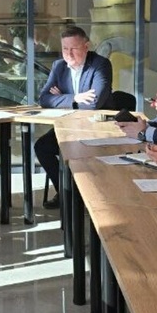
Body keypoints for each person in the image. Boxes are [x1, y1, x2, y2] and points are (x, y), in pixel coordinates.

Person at [33, 25, 113, 207]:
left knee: (75, 152)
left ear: (86, 46)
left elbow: (94, 103)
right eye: (65, 49)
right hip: (68, 127)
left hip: (95, 129)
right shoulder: (59, 66)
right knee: (42, 147)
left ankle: (86, 195)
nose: (68, 54)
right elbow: (44, 99)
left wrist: (60, 98)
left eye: (74, 48)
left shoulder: (100, 65)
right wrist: (75, 98)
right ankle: (67, 194)